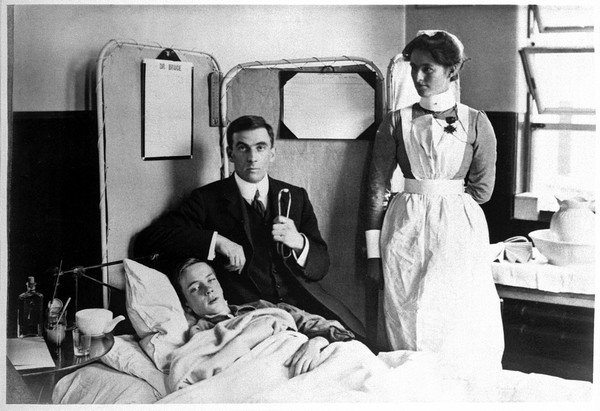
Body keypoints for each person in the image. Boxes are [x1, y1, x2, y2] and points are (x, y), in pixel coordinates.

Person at [134, 115, 363, 338]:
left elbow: (321, 267)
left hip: (306, 305)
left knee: (358, 345)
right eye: (243, 148)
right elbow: (149, 240)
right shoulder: (207, 200)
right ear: (230, 153)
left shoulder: (295, 196)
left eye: (260, 148)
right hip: (250, 314)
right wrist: (217, 241)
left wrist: (299, 243)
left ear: (272, 153)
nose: (252, 158)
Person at [365, 30, 504, 374]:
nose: (418, 77)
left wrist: (446, 203)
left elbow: (482, 190)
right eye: (414, 69)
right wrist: (372, 254)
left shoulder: (476, 122)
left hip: (457, 230)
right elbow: (375, 189)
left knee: (456, 317)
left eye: (428, 69)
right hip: (404, 229)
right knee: (407, 314)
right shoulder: (396, 121)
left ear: (452, 71)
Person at [176, 258, 355, 377]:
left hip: (308, 361)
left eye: (210, 280)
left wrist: (317, 342)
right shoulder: (200, 335)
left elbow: (335, 330)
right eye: (194, 288)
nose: (208, 289)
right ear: (187, 305)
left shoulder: (263, 307)